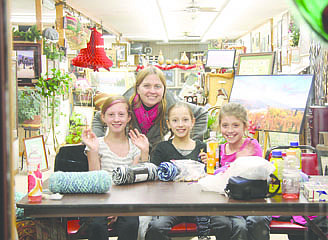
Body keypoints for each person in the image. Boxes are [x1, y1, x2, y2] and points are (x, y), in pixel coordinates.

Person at [146, 102, 236, 240]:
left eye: (185, 120)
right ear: (168, 124)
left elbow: (216, 178)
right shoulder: (161, 148)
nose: (180, 124)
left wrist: (209, 165)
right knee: (157, 227)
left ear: (193, 122)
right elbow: (154, 181)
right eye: (175, 120)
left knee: (224, 224)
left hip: (201, 204)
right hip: (172, 205)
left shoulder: (204, 148)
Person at [81, 95, 150, 240]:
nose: (116, 119)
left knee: (131, 223)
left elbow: (136, 183)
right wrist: (93, 150)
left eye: (121, 114)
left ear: (129, 117)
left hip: (126, 200)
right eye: (111, 115)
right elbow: (95, 179)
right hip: (100, 199)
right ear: (103, 118)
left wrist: (145, 152)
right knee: (96, 225)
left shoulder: (135, 146)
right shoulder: (96, 144)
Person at [91, 66, 208, 150]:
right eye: (146, 86)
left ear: (164, 89)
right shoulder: (125, 103)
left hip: (157, 157)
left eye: (157, 86)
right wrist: (99, 145)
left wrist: (191, 144)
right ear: (138, 88)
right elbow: (98, 117)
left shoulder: (172, 104)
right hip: (130, 156)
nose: (152, 91)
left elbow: (201, 114)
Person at [218, 102, 271, 240]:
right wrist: (236, 164)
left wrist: (239, 164)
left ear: (245, 126)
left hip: (255, 202)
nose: (230, 130)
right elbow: (217, 177)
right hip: (230, 205)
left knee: (257, 220)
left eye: (235, 125)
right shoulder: (219, 150)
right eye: (225, 126)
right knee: (237, 225)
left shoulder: (252, 146)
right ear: (219, 127)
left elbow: (258, 174)